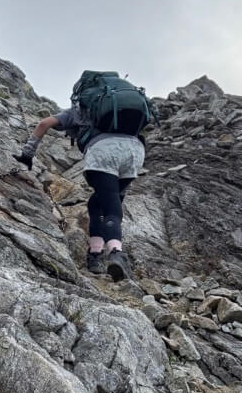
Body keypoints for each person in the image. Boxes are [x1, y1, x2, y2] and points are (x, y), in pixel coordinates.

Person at [14, 95, 146, 281]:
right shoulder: (120, 108)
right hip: (135, 152)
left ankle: (116, 253)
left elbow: (44, 123)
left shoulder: (79, 110)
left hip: (104, 153)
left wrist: (27, 154)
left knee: (110, 208)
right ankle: (95, 254)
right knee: (97, 204)